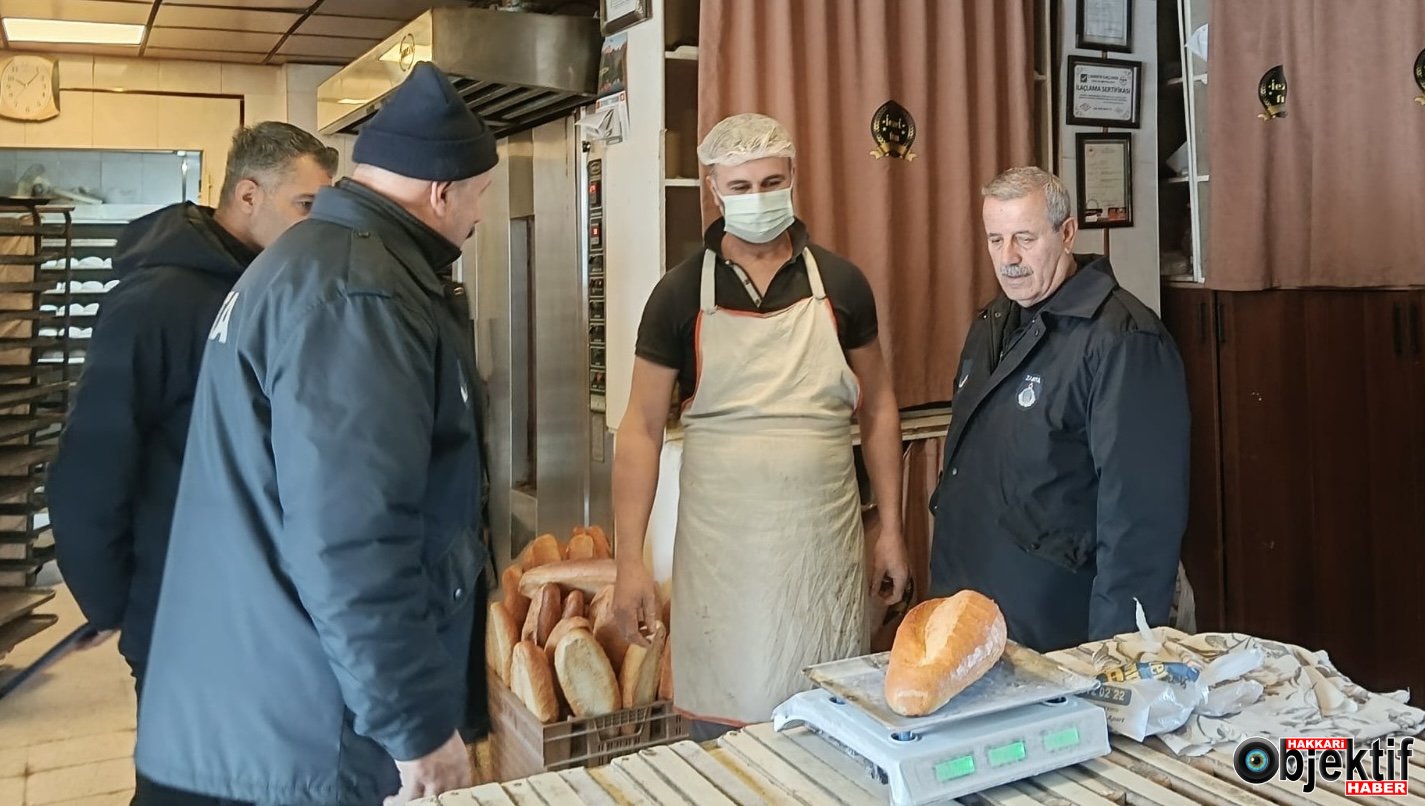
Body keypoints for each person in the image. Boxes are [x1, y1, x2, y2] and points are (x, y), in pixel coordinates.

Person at [131, 63, 497, 806]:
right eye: (480, 196)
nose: (476, 217)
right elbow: (353, 534)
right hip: (300, 724)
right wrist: (415, 726)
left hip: (255, 694)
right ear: (442, 190)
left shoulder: (308, 259)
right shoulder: (360, 293)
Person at [611, 113, 910, 740]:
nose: (757, 198)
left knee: (829, 730)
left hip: (822, 548)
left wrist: (891, 529)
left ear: (794, 178)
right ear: (713, 188)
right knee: (727, 742)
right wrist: (629, 563)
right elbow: (639, 429)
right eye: (740, 186)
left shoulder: (844, 285)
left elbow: (880, 408)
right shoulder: (677, 296)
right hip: (723, 559)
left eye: (770, 182)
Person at [48, 121, 336, 688]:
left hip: (261, 606)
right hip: (182, 612)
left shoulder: (271, 289)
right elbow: (90, 468)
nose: (317, 226)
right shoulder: (155, 303)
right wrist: (116, 604)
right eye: (306, 204)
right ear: (248, 195)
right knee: (184, 777)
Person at [928, 166, 1190, 652]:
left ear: (1066, 232)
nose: (1008, 258)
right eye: (995, 240)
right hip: (972, 612)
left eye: (1025, 239)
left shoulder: (1123, 339)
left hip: (1057, 629)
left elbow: (1139, 521)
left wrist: (1116, 655)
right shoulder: (992, 322)